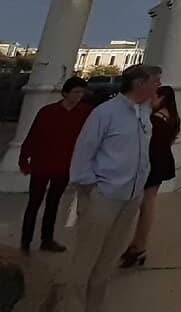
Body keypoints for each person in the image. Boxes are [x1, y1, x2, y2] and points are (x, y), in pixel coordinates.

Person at [63, 64, 161, 312]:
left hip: (131, 197)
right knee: (85, 260)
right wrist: (93, 189)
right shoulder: (105, 113)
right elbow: (84, 153)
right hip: (103, 197)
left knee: (107, 261)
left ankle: (94, 306)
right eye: (155, 82)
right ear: (140, 84)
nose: (158, 87)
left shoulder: (143, 111)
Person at [18, 76, 91, 254]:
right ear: (65, 93)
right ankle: (25, 241)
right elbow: (34, 136)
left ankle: (47, 239)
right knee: (34, 203)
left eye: (81, 92)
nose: (79, 96)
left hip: (64, 166)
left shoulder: (85, 112)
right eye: (75, 92)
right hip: (42, 164)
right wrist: (24, 159)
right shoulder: (48, 112)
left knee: (53, 203)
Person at [120, 85, 180, 268]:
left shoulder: (156, 120)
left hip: (153, 163)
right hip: (161, 162)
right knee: (148, 203)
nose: (150, 99)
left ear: (162, 98)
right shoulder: (172, 117)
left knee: (146, 204)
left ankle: (139, 245)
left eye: (154, 96)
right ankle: (138, 244)